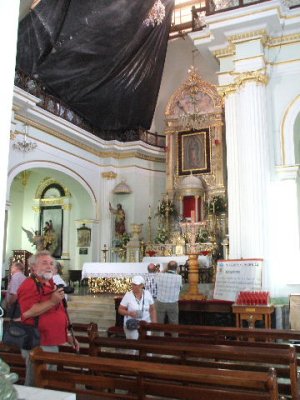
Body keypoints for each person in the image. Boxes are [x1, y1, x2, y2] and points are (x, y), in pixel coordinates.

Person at [17, 250, 79, 386]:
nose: (49, 266)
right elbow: (27, 313)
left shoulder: (51, 283)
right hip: (38, 343)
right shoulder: (29, 284)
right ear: (33, 267)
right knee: (35, 384)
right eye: (44, 263)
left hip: (51, 341)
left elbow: (60, 310)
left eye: (51, 263)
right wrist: (52, 301)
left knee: (47, 382)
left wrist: (67, 334)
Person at [118, 275, 157, 340]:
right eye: (134, 285)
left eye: (138, 285)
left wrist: (154, 323)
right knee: (133, 346)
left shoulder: (147, 294)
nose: (135, 287)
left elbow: (152, 309)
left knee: (145, 344)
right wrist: (129, 313)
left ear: (142, 285)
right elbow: (120, 310)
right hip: (132, 324)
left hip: (146, 324)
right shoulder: (128, 295)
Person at [155, 260, 182, 325]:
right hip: (172, 302)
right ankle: (174, 335)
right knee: (174, 323)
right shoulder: (178, 277)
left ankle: (158, 335)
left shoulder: (159, 275)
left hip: (160, 302)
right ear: (176, 268)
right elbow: (180, 288)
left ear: (167, 267)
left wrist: (165, 269)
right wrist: (177, 272)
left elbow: (157, 278)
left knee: (159, 323)